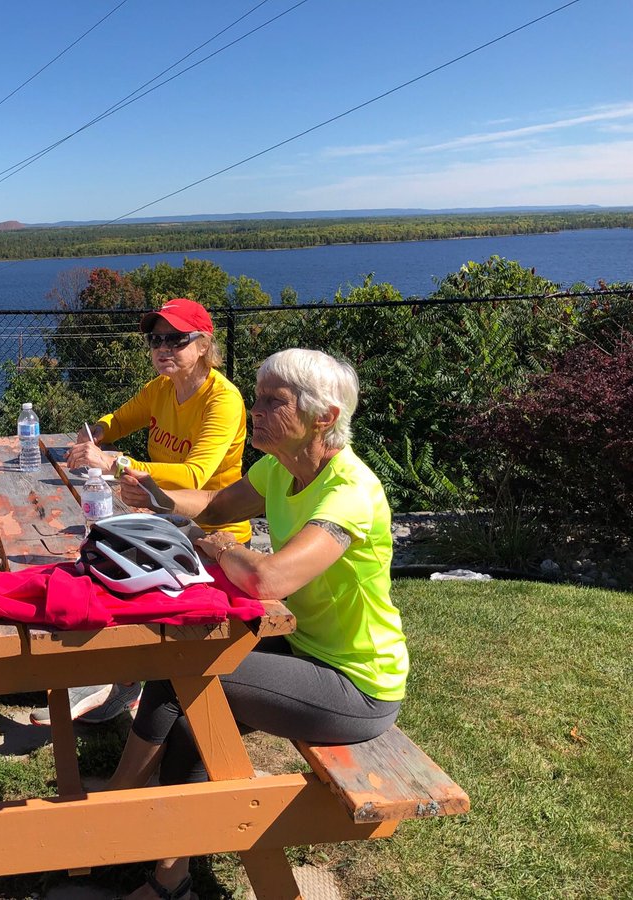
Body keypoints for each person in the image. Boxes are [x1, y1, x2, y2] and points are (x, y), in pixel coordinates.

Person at [108, 348, 408, 900]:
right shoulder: (281, 467)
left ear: (325, 417)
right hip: (305, 652)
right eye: (258, 397)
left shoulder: (349, 493)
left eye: (274, 402)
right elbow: (217, 506)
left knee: (193, 677)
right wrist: (152, 495)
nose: (257, 411)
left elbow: (269, 582)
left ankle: (113, 819)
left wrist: (221, 550)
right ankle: (156, 858)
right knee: (186, 696)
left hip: (357, 686)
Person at [30, 297, 250, 726]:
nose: (162, 348)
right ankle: (117, 678)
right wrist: (92, 433)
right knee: (91, 559)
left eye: (175, 339)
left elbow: (197, 474)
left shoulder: (221, 400)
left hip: (211, 534)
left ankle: (119, 682)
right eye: (155, 339)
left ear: (203, 345)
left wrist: (115, 462)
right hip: (162, 522)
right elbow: (118, 419)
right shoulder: (161, 389)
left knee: (111, 578)